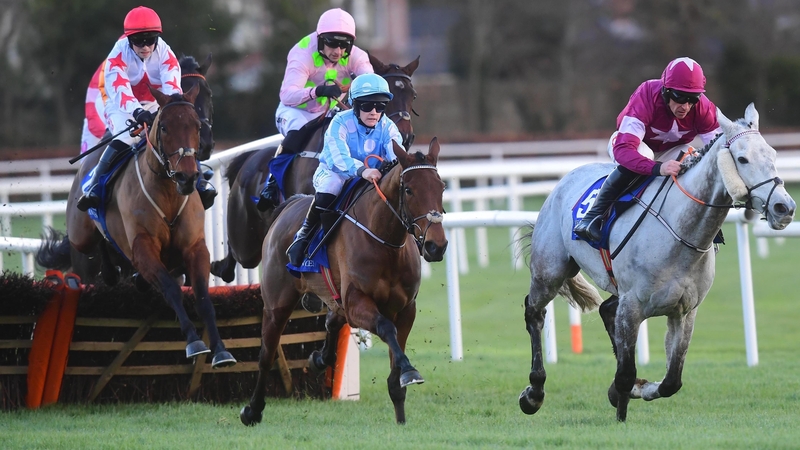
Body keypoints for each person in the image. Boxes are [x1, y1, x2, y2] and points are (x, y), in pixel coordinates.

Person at [77, 6, 216, 211]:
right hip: (119, 103)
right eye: (139, 41)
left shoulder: (165, 53)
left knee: (177, 131)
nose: (145, 46)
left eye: (150, 39)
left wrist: (169, 110)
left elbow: (171, 88)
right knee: (127, 138)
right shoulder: (117, 55)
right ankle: (95, 187)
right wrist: (137, 112)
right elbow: (120, 89)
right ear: (128, 39)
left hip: (155, 100)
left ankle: (200, 180)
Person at [573, 57, 722, 242]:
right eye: (679, 97)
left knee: (691, 156)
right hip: (630, 145)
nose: (685, 106)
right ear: (665, 91)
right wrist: (658, 168)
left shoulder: (703, 108)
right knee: (645, 154)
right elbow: (624, 149)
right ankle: (592, 217)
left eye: (692, 98)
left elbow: (719, 150)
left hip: (669, 151)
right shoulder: (646, 95)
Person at [257, 7, 374, 210]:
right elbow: (287, 94)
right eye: (332, 43)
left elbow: (371, 84)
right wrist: (317, 91)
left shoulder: (357, 56)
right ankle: (272, 183)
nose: (337, 51)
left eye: (344, 45)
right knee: (299, 130)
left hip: (330, 110)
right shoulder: (302, 53)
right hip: (295, 110)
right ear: (320, 39)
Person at [286, 73, 403, 266]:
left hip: (371, 176)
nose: (374, 111)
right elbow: (338, 158)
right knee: (331, 186)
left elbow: (396, 151)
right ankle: (304, 235)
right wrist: (362, 171)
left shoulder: (387, 126)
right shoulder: (339, 122)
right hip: (335, 172)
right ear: (355, 105)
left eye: (380, 106)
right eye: (367, 106)